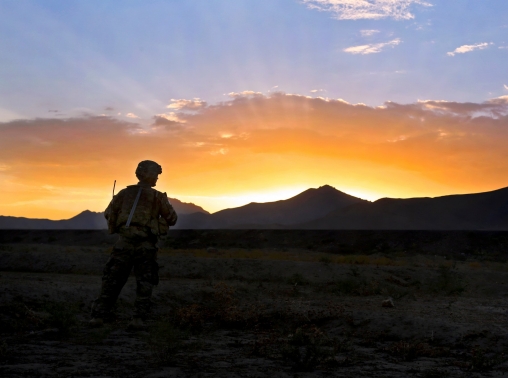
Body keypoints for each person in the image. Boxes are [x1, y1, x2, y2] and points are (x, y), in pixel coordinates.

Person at [90, 160, 178, 329]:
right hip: (146, 247)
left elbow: (109, 214)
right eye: (155, 174)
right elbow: (172, 219)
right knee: (144, 283)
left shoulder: (123, 194)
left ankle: (99, 316)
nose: (156, 178)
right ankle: (138, 319)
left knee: (112, 280)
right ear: (147, 174)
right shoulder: (158, 197)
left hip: (123, 244)